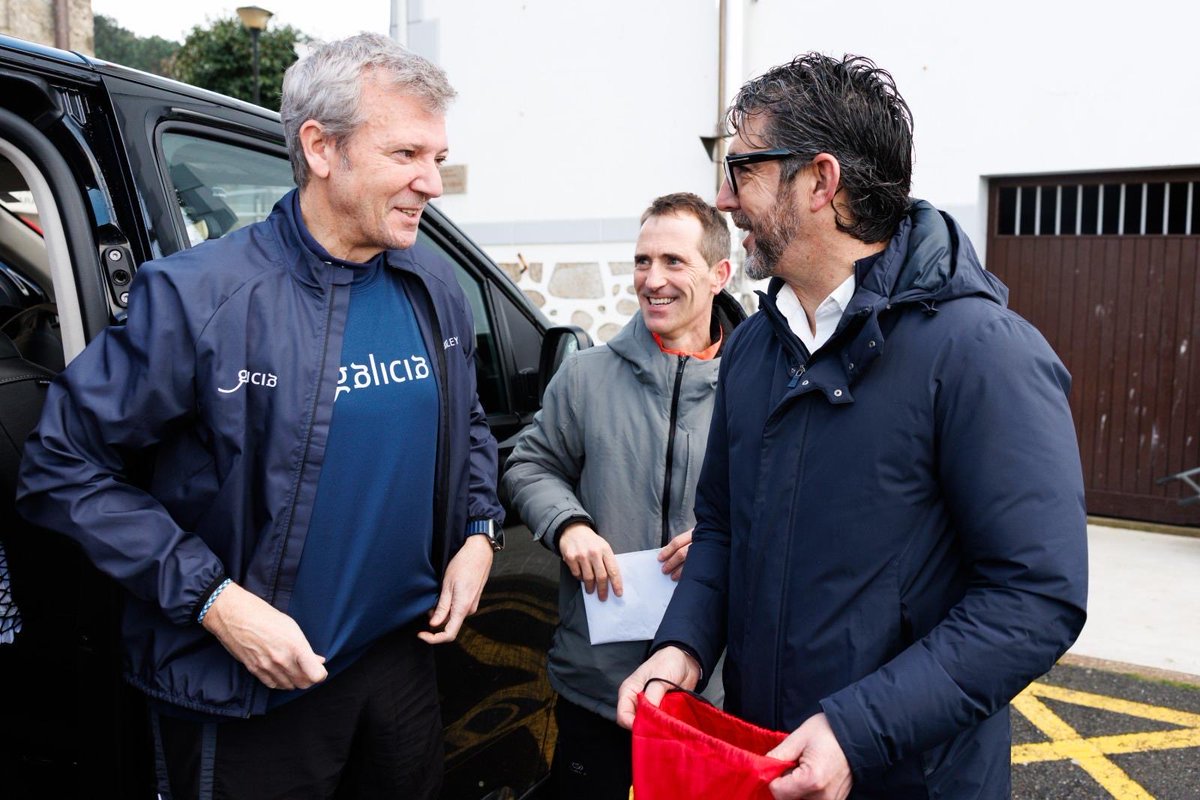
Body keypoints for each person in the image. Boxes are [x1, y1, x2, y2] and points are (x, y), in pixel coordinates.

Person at [17, 33, 504, 799]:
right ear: (320, 147)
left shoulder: (432, 284)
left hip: (400, 667)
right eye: (407, 154)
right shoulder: (198, 297)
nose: (432, 183)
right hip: (246, 689)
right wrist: (214, 602)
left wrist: (478, 531)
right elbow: (60, 468)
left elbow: (466, 422)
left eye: (437, 157)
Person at [616, 54, 1088, 800]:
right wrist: (683, 647)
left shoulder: (982, 354)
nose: (724, 200)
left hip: (911, 779)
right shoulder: (753, 349)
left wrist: (855, 729)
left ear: (821, 183)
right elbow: (722, 529)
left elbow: (1034, 599)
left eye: (741, 170)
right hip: (766, 763)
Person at [503, 192, 743, 799]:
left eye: (672, 262)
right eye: (642, 261)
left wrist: (729, 541)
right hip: (597, 685)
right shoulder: (586, 375)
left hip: (710, 688)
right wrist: (568, 525)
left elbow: (798, 506)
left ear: (720, 274)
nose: (652, 280)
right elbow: (529, 466)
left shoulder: (761, 389)